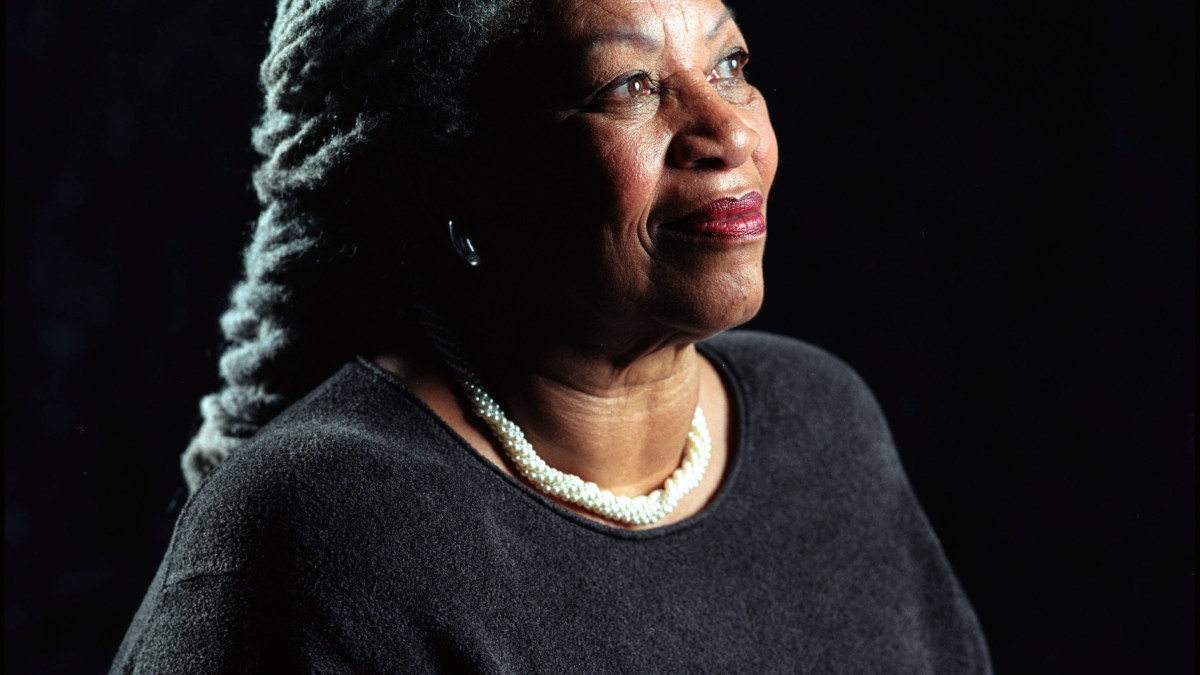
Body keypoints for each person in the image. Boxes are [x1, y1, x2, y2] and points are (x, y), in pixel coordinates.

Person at [112, 0, 991, 671]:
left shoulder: (822, 423)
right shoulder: (324, 529)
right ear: (459, 183)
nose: (728, 132)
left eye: (729, 65)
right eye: (629, 87)